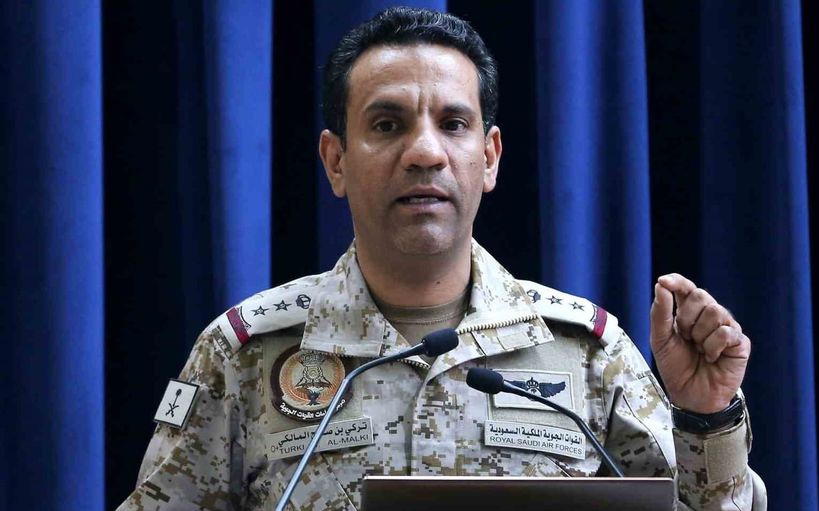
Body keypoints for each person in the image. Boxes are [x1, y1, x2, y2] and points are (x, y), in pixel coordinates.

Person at [119, 7, 766, 510]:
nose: (425, 152)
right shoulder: (243, 354)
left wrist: (707, 414)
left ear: (489, 158)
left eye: (453, 124)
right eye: (387, 125)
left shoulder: (587, 353)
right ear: (335, 161)